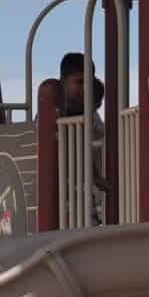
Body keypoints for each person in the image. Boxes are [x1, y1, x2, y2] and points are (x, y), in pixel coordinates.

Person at [58, 52, 108, 222]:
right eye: (79, 82)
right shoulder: (54, 115)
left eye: (88, 82)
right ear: (63, 83)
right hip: (65, 200)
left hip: (89, 198)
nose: (84, 88)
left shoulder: (91, 116)